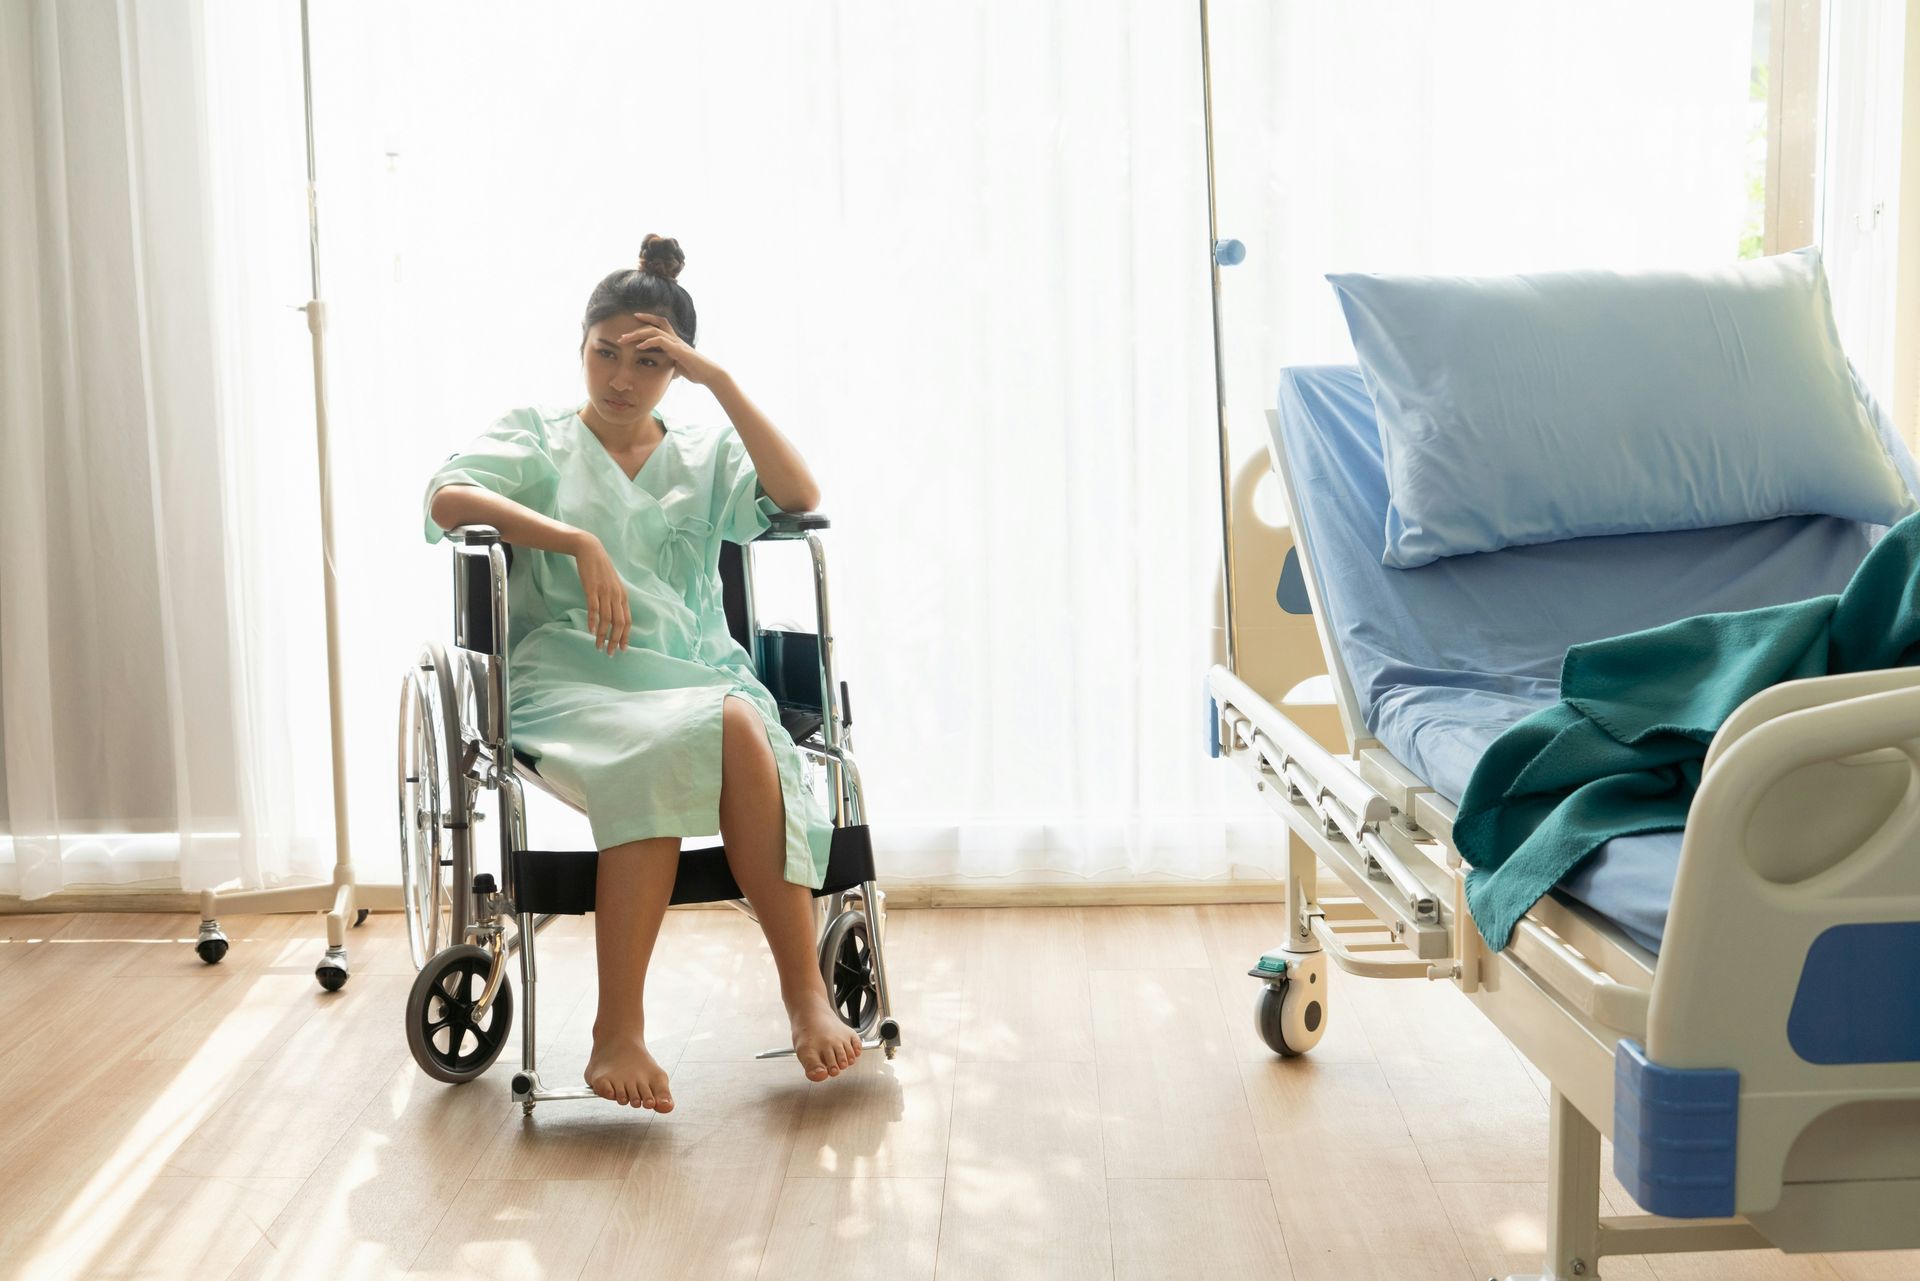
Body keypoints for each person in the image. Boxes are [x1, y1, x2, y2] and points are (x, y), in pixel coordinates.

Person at [423, 234, 859, 1112]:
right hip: (570, 678)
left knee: (737, 720)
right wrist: (573, 539)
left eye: (651, 360)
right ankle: (615, 1029)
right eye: (605, 352)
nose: (622, 376)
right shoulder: (538, 440)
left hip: (694, 671)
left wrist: (718, 380)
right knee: (684, 737)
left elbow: (799, 494)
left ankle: (804, 993)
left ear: (677, 367)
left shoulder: (705, 452)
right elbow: (447, 498)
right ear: (581, 346)